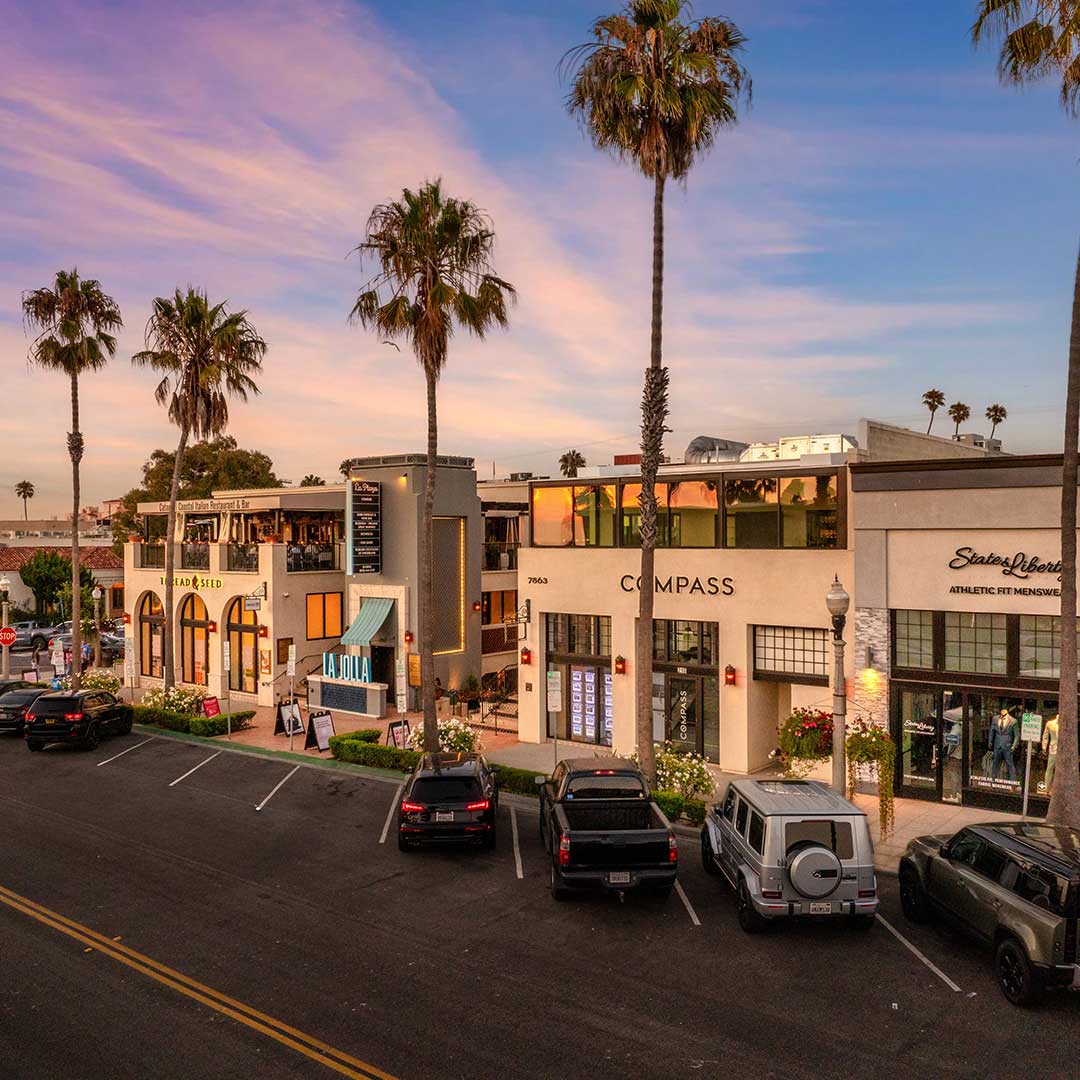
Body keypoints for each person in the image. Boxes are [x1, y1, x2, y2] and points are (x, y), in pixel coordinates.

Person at [989, 707, 1019, 782]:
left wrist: (1014, 746)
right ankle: (993, 780)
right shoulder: (995, 718)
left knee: (1010, 764)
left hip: (1008, 746)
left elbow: (1017, 735)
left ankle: (1013, 783)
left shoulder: (1013, 721)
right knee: (995, 763)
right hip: (997, 745)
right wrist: (990, 741)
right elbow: (992, 731)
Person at [1042, 715, 1060, 794]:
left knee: (1060, 771)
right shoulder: (1050, 723)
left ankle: (1056, 790)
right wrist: (1044, 747)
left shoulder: (1067, 724)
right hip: (1053, 749)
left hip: (1064, 751)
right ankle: (1047, 789)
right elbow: (1045, 736)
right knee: (1050, 769)